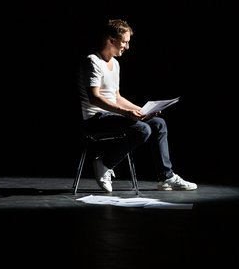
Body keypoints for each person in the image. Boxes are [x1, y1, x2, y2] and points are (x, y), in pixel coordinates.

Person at [78, 18, 196, 192]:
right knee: (142, 129)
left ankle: (166, 177)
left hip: (113, 115)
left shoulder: (115, 64)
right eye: (124, 42)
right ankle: (104, 163)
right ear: (111, 40)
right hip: (95, 119)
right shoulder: (93, 61)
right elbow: (94, 98)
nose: (127, 47)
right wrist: (127, 113)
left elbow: (116, 97)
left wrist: (142, 111)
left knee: (158, 124)